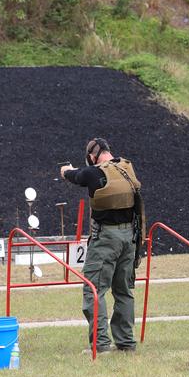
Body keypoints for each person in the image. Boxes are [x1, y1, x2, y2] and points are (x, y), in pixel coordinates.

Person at [60, 138, 143, 354]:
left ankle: (101, 344)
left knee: (94, 290)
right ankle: (125, 343)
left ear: (91, 156)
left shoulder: (93, 172)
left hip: (106, 238)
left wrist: (65, 170)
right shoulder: (126, 166)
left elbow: (75, 176)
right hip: (130, 237)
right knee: (124, 291)